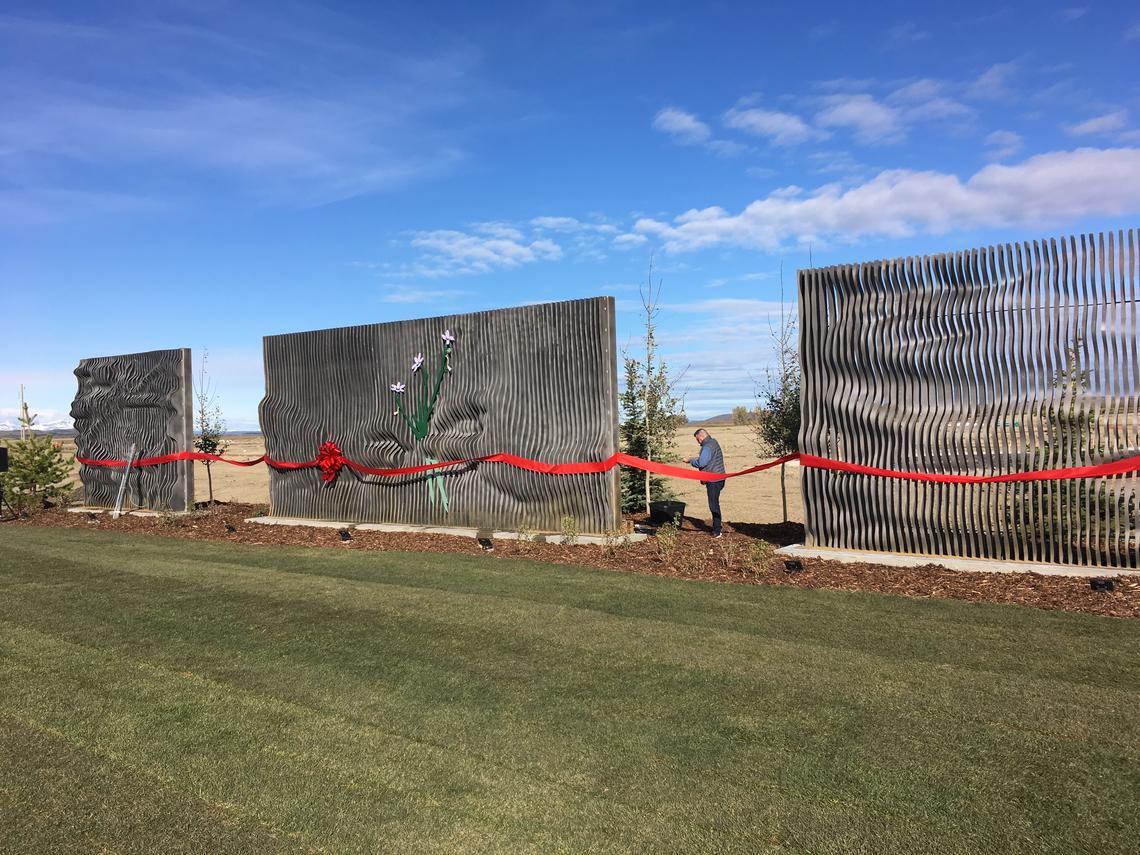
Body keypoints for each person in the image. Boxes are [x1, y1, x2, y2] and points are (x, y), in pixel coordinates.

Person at [687, 428, 725, 537]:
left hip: (714, 480)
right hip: (720, 477)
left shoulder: (707, 446)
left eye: (698, 440)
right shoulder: (714, 442)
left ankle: (717, 531)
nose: (698, 442)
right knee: (715, 503)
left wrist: (690, 460)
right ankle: (717, 527)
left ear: (701, 437)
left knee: (713, 505)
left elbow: (701, 462)